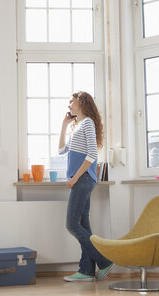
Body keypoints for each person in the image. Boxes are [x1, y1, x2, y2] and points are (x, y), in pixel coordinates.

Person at [58, 91, 114, 282]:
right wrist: (64, 125)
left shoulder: (88, 123)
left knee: (72, 224)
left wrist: (74, 178)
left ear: (82, 102)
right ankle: (87, 270)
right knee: (83, 225)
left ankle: (105, 261)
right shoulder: (77, 126)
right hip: (80, 180)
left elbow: (91, 155)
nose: (69, 105)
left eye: (71, 101)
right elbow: (60, 150)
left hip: (83, 180)